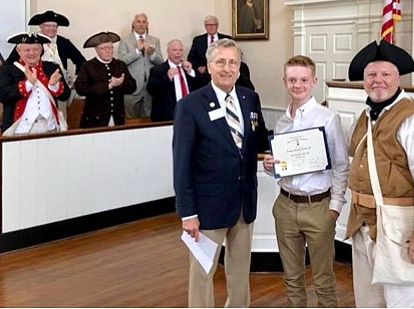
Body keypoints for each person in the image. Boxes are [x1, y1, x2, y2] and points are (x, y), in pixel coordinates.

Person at [344, 40, 414, 308]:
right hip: (364, 224)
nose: (377, 81)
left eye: (385, 75)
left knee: (404, 301)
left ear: (397, 79)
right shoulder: (364, 116)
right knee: (369, 301)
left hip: (400, 226)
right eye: (371, 75)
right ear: (364, 81)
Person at [173, 38, 269, 307]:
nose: (227, 68)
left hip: (243, 204)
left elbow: (258, 141)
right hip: (206, 209)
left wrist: (273, 156)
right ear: (209, 66)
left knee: (239, 272)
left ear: (239, 67)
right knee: (203, 273)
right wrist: (187, 213)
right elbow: (182, 164)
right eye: (221, 62)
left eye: (233, 62)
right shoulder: (190, 105)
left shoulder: (250, 98)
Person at [262, 55, 349, 307]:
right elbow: (282, 166)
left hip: (318, 207)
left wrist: (335, 206)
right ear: (284, 81)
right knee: (291, 276)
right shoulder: (281, 122)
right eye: (292, 79)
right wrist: (270, 166)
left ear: (313, 81)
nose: (297, 85)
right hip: (286, 205)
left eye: (302, 79)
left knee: (323, 277)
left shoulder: (327, 118)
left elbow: (341, 165)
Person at [0, 33, 70, 135]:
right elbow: (2, 95)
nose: (32, 53)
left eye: (35, 49)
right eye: (27, 50)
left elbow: (65, 95)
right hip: (20, 129)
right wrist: (27, 84)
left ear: (41, 50)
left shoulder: (52, 68)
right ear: (18, 51)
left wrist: (54, 85)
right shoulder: (8, 69)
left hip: (49, 127)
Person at [7, 10, 86, 87]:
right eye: (47, 26)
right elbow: (10, 61)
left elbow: (81, 61)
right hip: (34, 82)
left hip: (59, 83)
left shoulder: (64, 42)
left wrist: (77, 79)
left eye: (54, 26)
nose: (51, 28)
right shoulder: (30, 40)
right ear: (41, 26)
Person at [74, 32, 137, 128]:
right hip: (95, 119)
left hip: (117, 117)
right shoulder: (88, 66)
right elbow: (80, 88)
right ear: (96, 50)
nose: (108, 51)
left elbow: (133, 86)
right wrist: (108, 86)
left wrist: (121, 83)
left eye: (110, 47)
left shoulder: (120, 65)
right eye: (104, 48)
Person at [147, 39, 206, 122]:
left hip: (190, 115)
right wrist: (167, 78)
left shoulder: (188, 68)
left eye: (180, 50)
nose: (178, 53)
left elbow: (203, 85)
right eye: (174, 50)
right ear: (168, 51)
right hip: (168, 117)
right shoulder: (158, 70)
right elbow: (151, 90)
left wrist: (191, 72)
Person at [117, 13, 164, 118]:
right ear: (133, 24)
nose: (141, 24)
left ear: (147, 24)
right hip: (132, 86)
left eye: (144, 22)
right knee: (130, 120)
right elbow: (121, 62)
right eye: (138, 22)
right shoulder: (125, 40)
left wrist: (152, 55)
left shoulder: (154, 40)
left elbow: (161, 62)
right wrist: (137, 51)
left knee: (148, 119)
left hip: (150, 86)